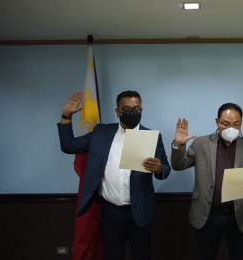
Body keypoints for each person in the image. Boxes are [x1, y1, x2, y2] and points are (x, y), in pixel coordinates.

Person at [58, 90, 171, 260]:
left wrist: (158, 168)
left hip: (139, 211)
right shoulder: (101, 133)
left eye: (137, 109)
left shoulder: (152, 137)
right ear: (117, 111)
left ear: (141, 110)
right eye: (127, 109)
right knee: (112, 255)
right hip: (111, 212)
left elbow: (165, 170)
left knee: (142, 256)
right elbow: (69, 146)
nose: (133, 113)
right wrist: (66, 117)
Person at [171, 103, 243, 260]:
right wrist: (179, 145)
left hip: (240, 216)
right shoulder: (200, 144)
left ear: (241, 123)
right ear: (217, 122)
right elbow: (178, 165)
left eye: (236, 124)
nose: (231, 128)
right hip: (208, 216)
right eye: (226, 123)